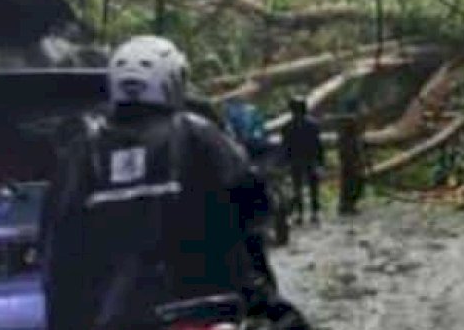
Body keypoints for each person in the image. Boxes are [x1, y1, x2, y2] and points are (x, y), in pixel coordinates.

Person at [40, 35, 309, 330]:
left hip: (114, 315)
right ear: (171, 81)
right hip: (203, 306)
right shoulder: (197, 133)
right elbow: (252, 200)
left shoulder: (81, 151)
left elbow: (56, 242)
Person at [280, 96, 324, 225]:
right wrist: (321, 161)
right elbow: (318, 145)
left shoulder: (287, 126)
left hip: (295, 160)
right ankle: (315, 212)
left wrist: (285, 161)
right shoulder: (313, 124)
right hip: (311, 159)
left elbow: (285, 146)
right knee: (313, 187)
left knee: (297, 187)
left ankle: (300, 214)